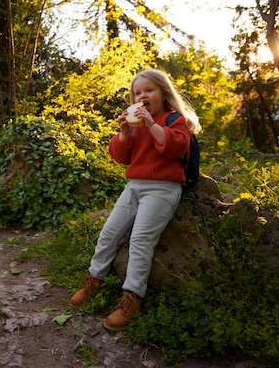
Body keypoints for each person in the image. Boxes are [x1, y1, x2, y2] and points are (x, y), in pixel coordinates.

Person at [69, 69, 201, 331]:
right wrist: (125, 133)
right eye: (137, 92)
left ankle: (132, 298)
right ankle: (93, 280)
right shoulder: (136, 124)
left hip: (163, 189)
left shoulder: (176, 120)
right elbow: (119, 155)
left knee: (141, 240)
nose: (142, 96)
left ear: (164, 93)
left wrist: (152, 124)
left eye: (149, 90)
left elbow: (174, 146)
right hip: (134, 186)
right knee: (109, 233)